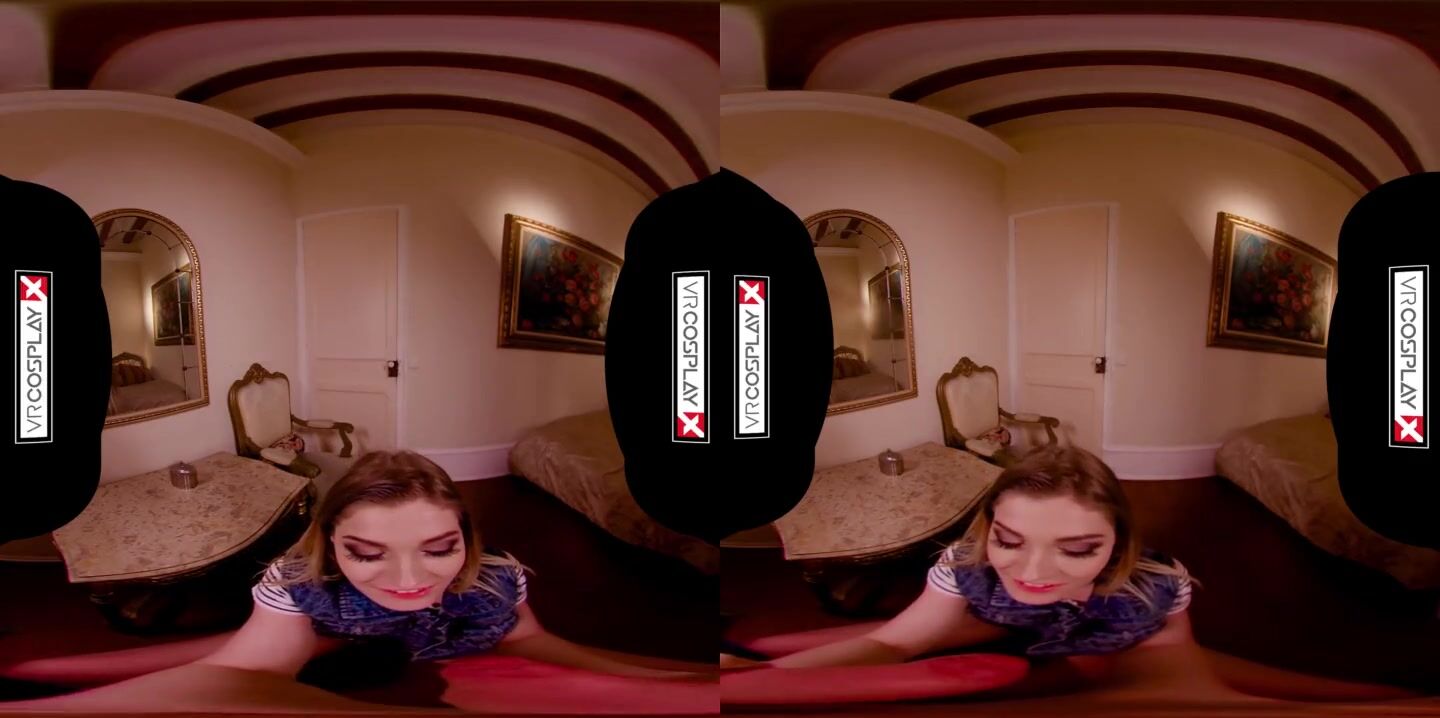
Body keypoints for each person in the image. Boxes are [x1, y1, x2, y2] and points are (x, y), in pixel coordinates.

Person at [2, 450, 713, 712]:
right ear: (332, 544)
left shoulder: (498, 578)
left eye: (439, 549)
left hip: (407, 655)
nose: (409, 579)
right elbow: (240, 678)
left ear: (467, 540)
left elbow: (530, 639)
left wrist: (666, 682)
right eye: (368, 553)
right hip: (332, 641)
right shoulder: (299, 582)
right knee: (211, 658)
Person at [719, 445, 1418, 704]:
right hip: (998, 635)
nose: (1032, 570)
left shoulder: (1155, 586)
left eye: (1076, 549)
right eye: (1010, 540)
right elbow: (894, 642)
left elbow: (1180, 678)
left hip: (1104, 652)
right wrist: (757, 685)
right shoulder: (966, 568)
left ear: (1115, 548)